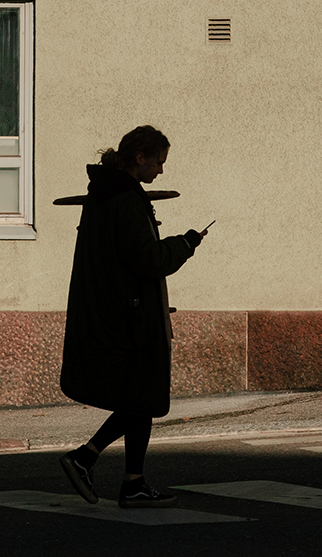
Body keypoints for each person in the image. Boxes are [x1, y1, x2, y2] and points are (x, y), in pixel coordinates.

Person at [57, 125, 208, 507]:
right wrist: (185, 244)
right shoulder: (126, 198)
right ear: (139, 157)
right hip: (131, 315)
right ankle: (87, 457)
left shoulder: (103, 194)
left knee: (141, 396)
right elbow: (147, 259)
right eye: (158, 161)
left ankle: (133, 481)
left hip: (115, 309)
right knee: (142, 396)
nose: (160, 170)